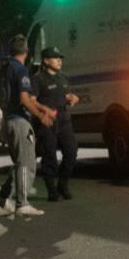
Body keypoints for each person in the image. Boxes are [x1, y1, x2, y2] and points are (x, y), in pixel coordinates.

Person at [0, 34, 55, 216]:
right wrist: (40, 116)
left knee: (20, 162)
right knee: (27, 162)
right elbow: (25, 99)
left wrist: (43, 109)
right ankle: (22, 203)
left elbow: (2, 96)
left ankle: (3, 196)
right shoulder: (21, 70)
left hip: (8, 120)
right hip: (20, 122)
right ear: (27, 51)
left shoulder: (5, 68)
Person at [32, 46, 79, 202]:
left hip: (64, 119)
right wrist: (42, 114)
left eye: (60, 58)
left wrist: (72, 98)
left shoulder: (62, 77)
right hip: (48, 121)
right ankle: (52, 189)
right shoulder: (38, 79)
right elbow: (31, 101)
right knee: (49, 155)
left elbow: (66, 95)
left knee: (71, 151)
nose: (59, 60)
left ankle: (63, 184)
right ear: (46, 60)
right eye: (55, 57)